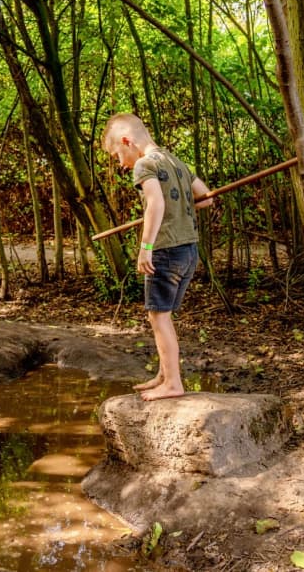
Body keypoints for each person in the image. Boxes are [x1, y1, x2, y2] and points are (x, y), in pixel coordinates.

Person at [102, 112, 213, 401]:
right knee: (164, 315)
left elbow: (155, 203)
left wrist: (145, 247)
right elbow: (206, 197)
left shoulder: (144, 164)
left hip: (165, 251)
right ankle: (165, 374)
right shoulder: (174, 161)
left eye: (117, 155)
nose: (120, 163)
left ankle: (173, 383)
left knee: (159, 317)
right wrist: (177, 209)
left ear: (128, 141)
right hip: (188, 250)